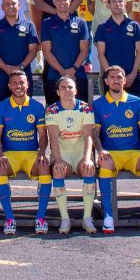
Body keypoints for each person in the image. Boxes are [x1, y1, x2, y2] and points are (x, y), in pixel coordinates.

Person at [91, 66, 140, 234]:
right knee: (104, 162)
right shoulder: (98, 104)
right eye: (112, 77)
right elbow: (95, 133)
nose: (116, 80)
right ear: (106, 81)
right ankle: (108, 215)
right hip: (112, 154)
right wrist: (100, 151)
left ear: (125, 80)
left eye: (119, 77)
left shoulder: (136, 102)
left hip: (134, 153)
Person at [0, 69, 50, 235]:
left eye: (21, 83)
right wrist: (0, 155)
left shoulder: (37, 107)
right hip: (10, 154)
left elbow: (43, 136)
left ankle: (40, 217)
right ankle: (9, 218)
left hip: (32, 153)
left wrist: (42, 153)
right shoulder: (2, 107)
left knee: (45, 168)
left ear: (27, 85)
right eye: (15, 83)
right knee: (1, 168)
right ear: (9, 86)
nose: (18, 86)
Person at [46, 77, 97, 234]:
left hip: (81, 152)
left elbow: (88, 135)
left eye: (70, 87)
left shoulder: (86, 108)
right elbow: (53, 137)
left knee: (89, 169)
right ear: (58, 91)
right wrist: (58, 159)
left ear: (76, 90)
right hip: (63, 154)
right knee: (57, 170)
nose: (67, 90)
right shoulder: (52, 109)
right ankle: (65, 219)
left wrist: (88, 158)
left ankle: (87, 218)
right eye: (63, 87)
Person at [40, 0, 91, 106]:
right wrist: (63, 72)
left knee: (81, 112)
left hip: (78, 75)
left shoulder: (80, 22)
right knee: (55, 114)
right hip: (54, 76)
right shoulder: (47, 23)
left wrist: (73, 70)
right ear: (54, 2)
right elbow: (46, 51)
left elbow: (84, 50)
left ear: (70, 1)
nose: (62, 2)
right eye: (59, 0)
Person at [0, 0, 39, 106]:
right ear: (2, 7)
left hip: (24, 74)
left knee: (25, 108)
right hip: (2, 76)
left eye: (13, 3)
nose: (10, 6)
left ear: (19, 5)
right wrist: (7, 68)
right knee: (2, 108)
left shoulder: (29, 25)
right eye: (7, 4)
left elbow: (33, 51)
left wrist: (19, 67)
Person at [93, 0, 140, 94]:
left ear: (125, 5)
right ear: (108, 5)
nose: (117, 4)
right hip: (111, 82)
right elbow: (101, 53)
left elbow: (139, 52)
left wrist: (133, 74)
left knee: (132, 109)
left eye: (120, 1)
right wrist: (111, 76)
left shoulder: (134, 25)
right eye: (114, 1)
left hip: (131, 78)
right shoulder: (102, 27)